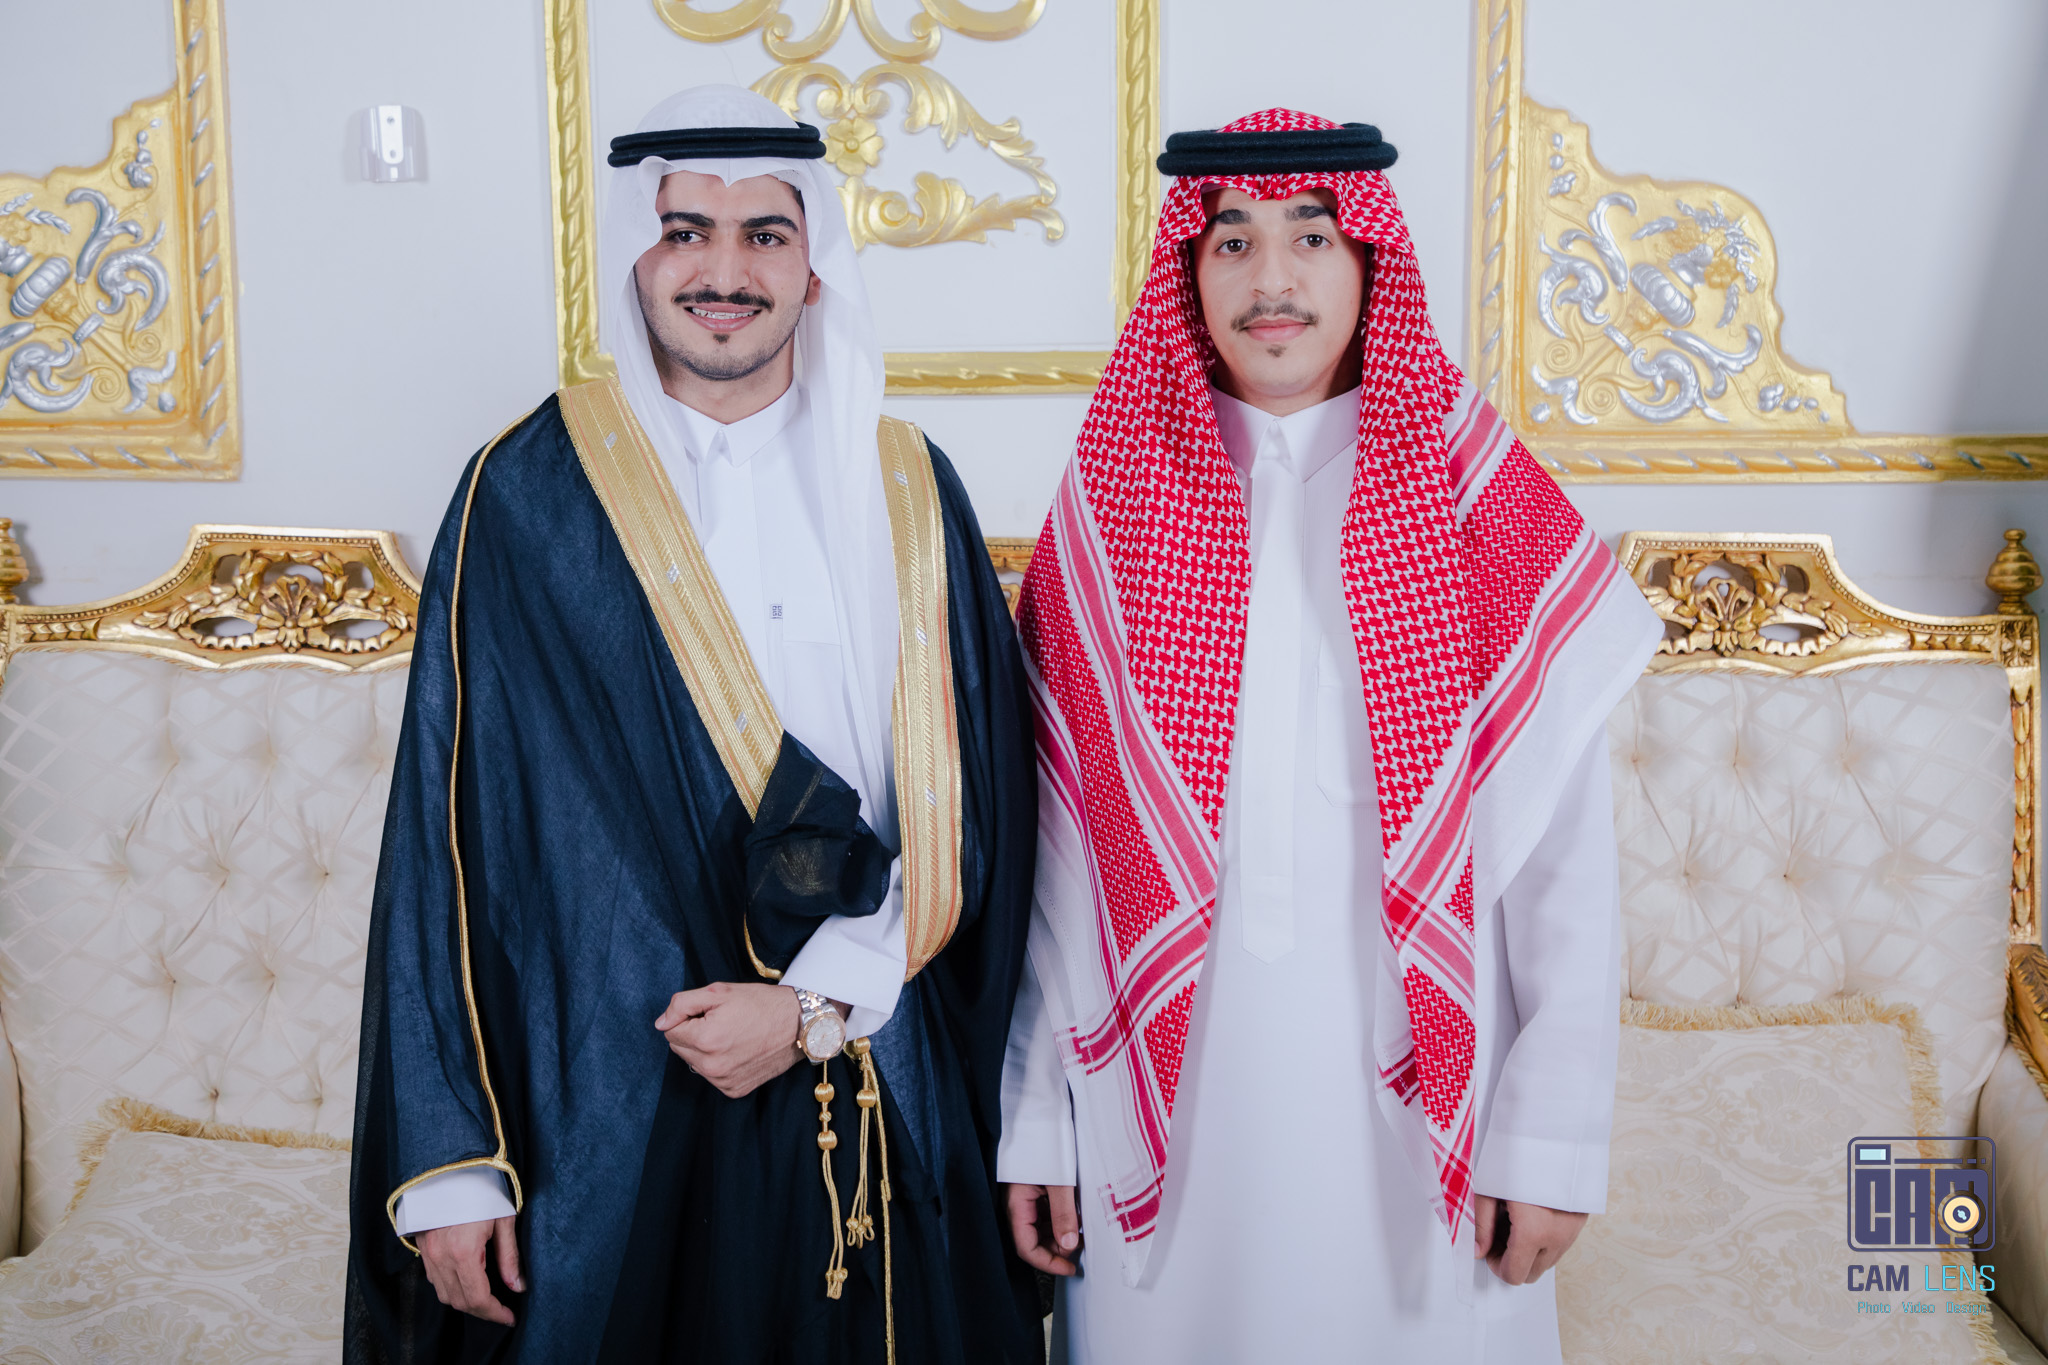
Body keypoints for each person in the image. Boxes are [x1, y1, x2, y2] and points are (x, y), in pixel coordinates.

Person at [346, 85, 1042, 1365]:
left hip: (867, 1060)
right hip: (602, 1095)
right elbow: (449, 834)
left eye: (765, 234)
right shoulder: (528, 492)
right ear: (635, 252)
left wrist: (816, 1002)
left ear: (814, 266)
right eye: (684, 231)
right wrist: (453, 1161)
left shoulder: (902, 484)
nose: (724, 271)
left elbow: (973, 802)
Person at [998, 110, 1662, 1363]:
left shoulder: (1477, 507)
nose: (1272, 280)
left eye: (1311, 236)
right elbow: (1052, 871)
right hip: (1165, 1132)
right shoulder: (1110, 511)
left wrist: (1547, 1138)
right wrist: (1038, 1121)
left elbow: (1561, 872)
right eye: (1231, 242)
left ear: (1368, 261)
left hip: (1424, 1133)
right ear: (1188, 275)